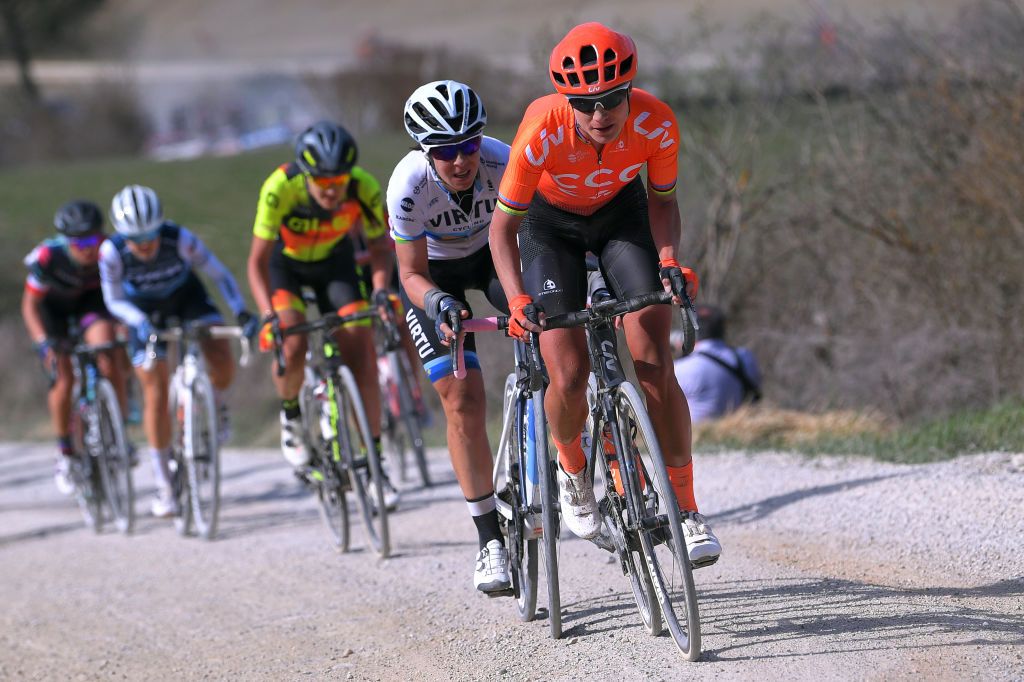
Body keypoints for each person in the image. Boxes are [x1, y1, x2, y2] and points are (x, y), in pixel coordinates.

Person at [488, 22, 722, 566]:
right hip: (549, 229)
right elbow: (503, 230)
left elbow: (662, 202)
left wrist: (668, 262)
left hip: (623, 218)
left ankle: (686, 510)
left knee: (654, 362)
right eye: (586, 103)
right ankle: (572, 469)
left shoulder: (656, 121)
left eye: (612, 99)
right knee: (567, 374)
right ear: (567, 101)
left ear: (629, 91)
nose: (600, 115)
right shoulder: (540, 132)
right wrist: (518, 299)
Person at [388, 80, 511, 592]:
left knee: (551, 326)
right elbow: (410, 273)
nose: (460, 161)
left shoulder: (503, 162)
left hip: (493, 257)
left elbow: (537, 235)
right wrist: (437, 302)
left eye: (468, 146)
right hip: (435, 278)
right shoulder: (408, 185)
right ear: (425, 151)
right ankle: (489, 540)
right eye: (445, 151)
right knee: (462, 399)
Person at [246, 120, 399, 509]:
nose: (332, 191)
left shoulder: (363, 186)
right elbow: (257, 262)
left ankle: (374, 464)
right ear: (306, 175)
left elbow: (381, 247)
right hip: (287, 268)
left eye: (339, 182)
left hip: (336, 264)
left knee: (362, 356)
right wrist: (267, 315)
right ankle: (292, 417)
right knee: (293, 341)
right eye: (323, 183)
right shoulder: (280, 186)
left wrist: (381, 289)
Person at [100, 185, 256, 518]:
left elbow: (219, 274)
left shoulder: (179, 238)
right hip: (142, 310)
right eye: (135, 240)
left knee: (220, 353)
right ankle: (165, 486)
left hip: (187, 299)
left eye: (151, 236)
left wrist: (240, 311)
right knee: (154, 390)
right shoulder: (110, 252)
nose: (145, 245)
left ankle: (214, 401)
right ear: (121, 235)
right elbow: (112, 300)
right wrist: (138, 321)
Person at [22, 200, 131, 495]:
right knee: (63, 378)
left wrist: (124, 322)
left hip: (90, 307)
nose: (87, 248)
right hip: (53, 313)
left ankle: (119, 432)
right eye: (79, 242)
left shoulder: (110, 250)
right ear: (66, 240)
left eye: (93, 239)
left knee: (109, 354)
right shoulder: (48, 257)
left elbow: (123, 293)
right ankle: (66, 451)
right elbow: (30, 305)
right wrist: (42, 341)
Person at [673, 305, 761, 424]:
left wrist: (679, 353)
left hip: (696, 435)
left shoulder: (681, 368)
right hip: (739, 428)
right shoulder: (745, 357)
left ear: (690, 332)